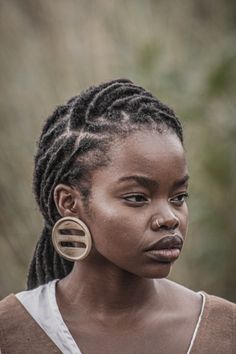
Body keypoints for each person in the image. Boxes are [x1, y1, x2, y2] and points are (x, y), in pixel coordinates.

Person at [0, 79, 235, 354]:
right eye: (137, 198)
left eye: (179, 197)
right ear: (69, 203)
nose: (170, 219)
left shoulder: (225, 331)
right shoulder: (10, 333)